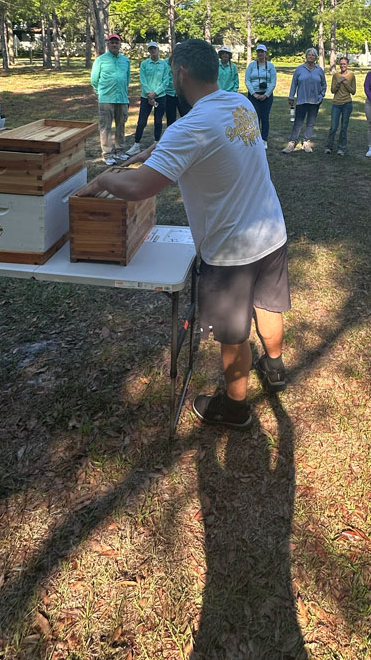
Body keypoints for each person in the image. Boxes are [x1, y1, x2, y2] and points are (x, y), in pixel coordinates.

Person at [96, 39, 290, 429]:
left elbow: (138, 188)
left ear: (180, 73)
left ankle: (234, 410)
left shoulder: (190, 127)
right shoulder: (240, 104)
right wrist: (150, 151)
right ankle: (275, 367)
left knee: (233, 338)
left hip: (231, 252)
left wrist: (104, 178)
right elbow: (192, 146)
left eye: (171, 72)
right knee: (267, 306)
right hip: (272, 232)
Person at [91, 32, 131, 165]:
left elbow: (127, 78)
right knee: (105, 127)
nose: (114, 44)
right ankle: (107, 154)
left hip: (122, 98)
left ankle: (119, 151)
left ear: (120, 44)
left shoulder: (125, 60)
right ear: (108, 44)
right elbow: (94, 80)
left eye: (116, 42)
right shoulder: (101, 60)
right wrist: (100, 93)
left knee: (121, 126)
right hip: (106, 99)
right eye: (112, 42)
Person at [128, 42, 170, 155]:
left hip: (160, 97)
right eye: (150, 49)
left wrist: (155, 93)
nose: (153, 51)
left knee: (158, 121)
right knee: (141, 121)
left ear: (158, 49)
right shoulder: (144, 64)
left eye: (154, 49)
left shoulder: (164, 65)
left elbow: (165, 81)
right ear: (149, 51)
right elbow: (143, 79)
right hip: (146, 97)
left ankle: (156, 144)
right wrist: (149, 94)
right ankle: (136, 144)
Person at [283, 48, 326, 153]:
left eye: (313, 55)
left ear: (316, 57)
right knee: (298, 122)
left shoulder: (319, 70)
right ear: (306, 56)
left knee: (311, 123)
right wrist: (291, 96)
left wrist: (321, 96)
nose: (311, 56)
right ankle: (292, 142)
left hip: (315, 101)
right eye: (309, 55)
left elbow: (324, 85)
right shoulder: (299, 69)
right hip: (302, 100)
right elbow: (294, 84)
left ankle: (306, 142)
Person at [245, 43, 277, 148]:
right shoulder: (252, 65)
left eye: (262, 52)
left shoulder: (270, 66)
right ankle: (255, 137)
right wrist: (253, 93)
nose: (260, 54)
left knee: (265, 117)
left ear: (265, 53)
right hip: (253, 94)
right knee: (254, 117)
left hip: (266, 95)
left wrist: (266, 94)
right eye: (258, 51)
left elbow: (273, 81)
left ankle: (264, 139)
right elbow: (247, 80)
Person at [325, 55, 356, 155]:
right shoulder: (336, 75)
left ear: (347, 65)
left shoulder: (351, 76)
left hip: (347, 104)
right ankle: (329, 147)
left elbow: (353, 91)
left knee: (344, 127)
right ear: (339, 65)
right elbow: (333, 90)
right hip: (336, 104)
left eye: (344, 64)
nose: (343, 65)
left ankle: (341, 148)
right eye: (341, 64)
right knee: (333, 126)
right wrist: (338, 82)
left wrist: (346, 83)